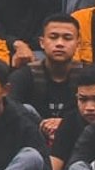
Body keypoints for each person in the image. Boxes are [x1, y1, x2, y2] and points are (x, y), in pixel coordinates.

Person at [10, 14, 86, 146]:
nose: (60, 43)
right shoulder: (24, 75)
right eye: (53, 37)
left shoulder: (87, 75)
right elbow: (9, 105)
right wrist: (42, 124)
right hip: (32, 141)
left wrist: (65, 124)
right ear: (42, 42)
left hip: (77, 141)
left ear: (78, 44)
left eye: (67, 38)